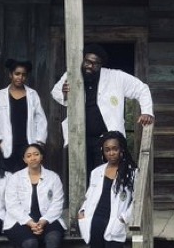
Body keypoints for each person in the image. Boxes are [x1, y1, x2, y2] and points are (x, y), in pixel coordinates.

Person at [51, 44, 153, 173]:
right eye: (87, 62)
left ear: (101, 65)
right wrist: (64, 94)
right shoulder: (71, 75)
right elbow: (55, 92)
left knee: (106, 174)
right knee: (80, 175)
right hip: (80, 138)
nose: (90, 66)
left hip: (106, 139)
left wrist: (147, 112)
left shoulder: (116, 77)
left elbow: (142, 89)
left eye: (95, 63)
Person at [3, 144, 67, 248]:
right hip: (20, 221)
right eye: (29, 155)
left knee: (54, 238)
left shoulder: (53, 177)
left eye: (36, 154)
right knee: (30, 243)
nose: (33, 158)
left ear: (41, 156)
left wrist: (44, 221)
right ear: (24, 159)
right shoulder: (15, 178)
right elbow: (12, 205)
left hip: (48, 219)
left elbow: (57, 203)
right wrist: (30, 223)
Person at [0, 59, 48, 172]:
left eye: (23, 75)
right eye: (17, 74)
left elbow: (40, 119)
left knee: (28, 174)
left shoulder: (32, 95)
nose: (20, 77)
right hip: (7, 144)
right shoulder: (1, 95)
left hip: (27, 142)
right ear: (10, 75)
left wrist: (39, 141)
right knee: (7, 174)